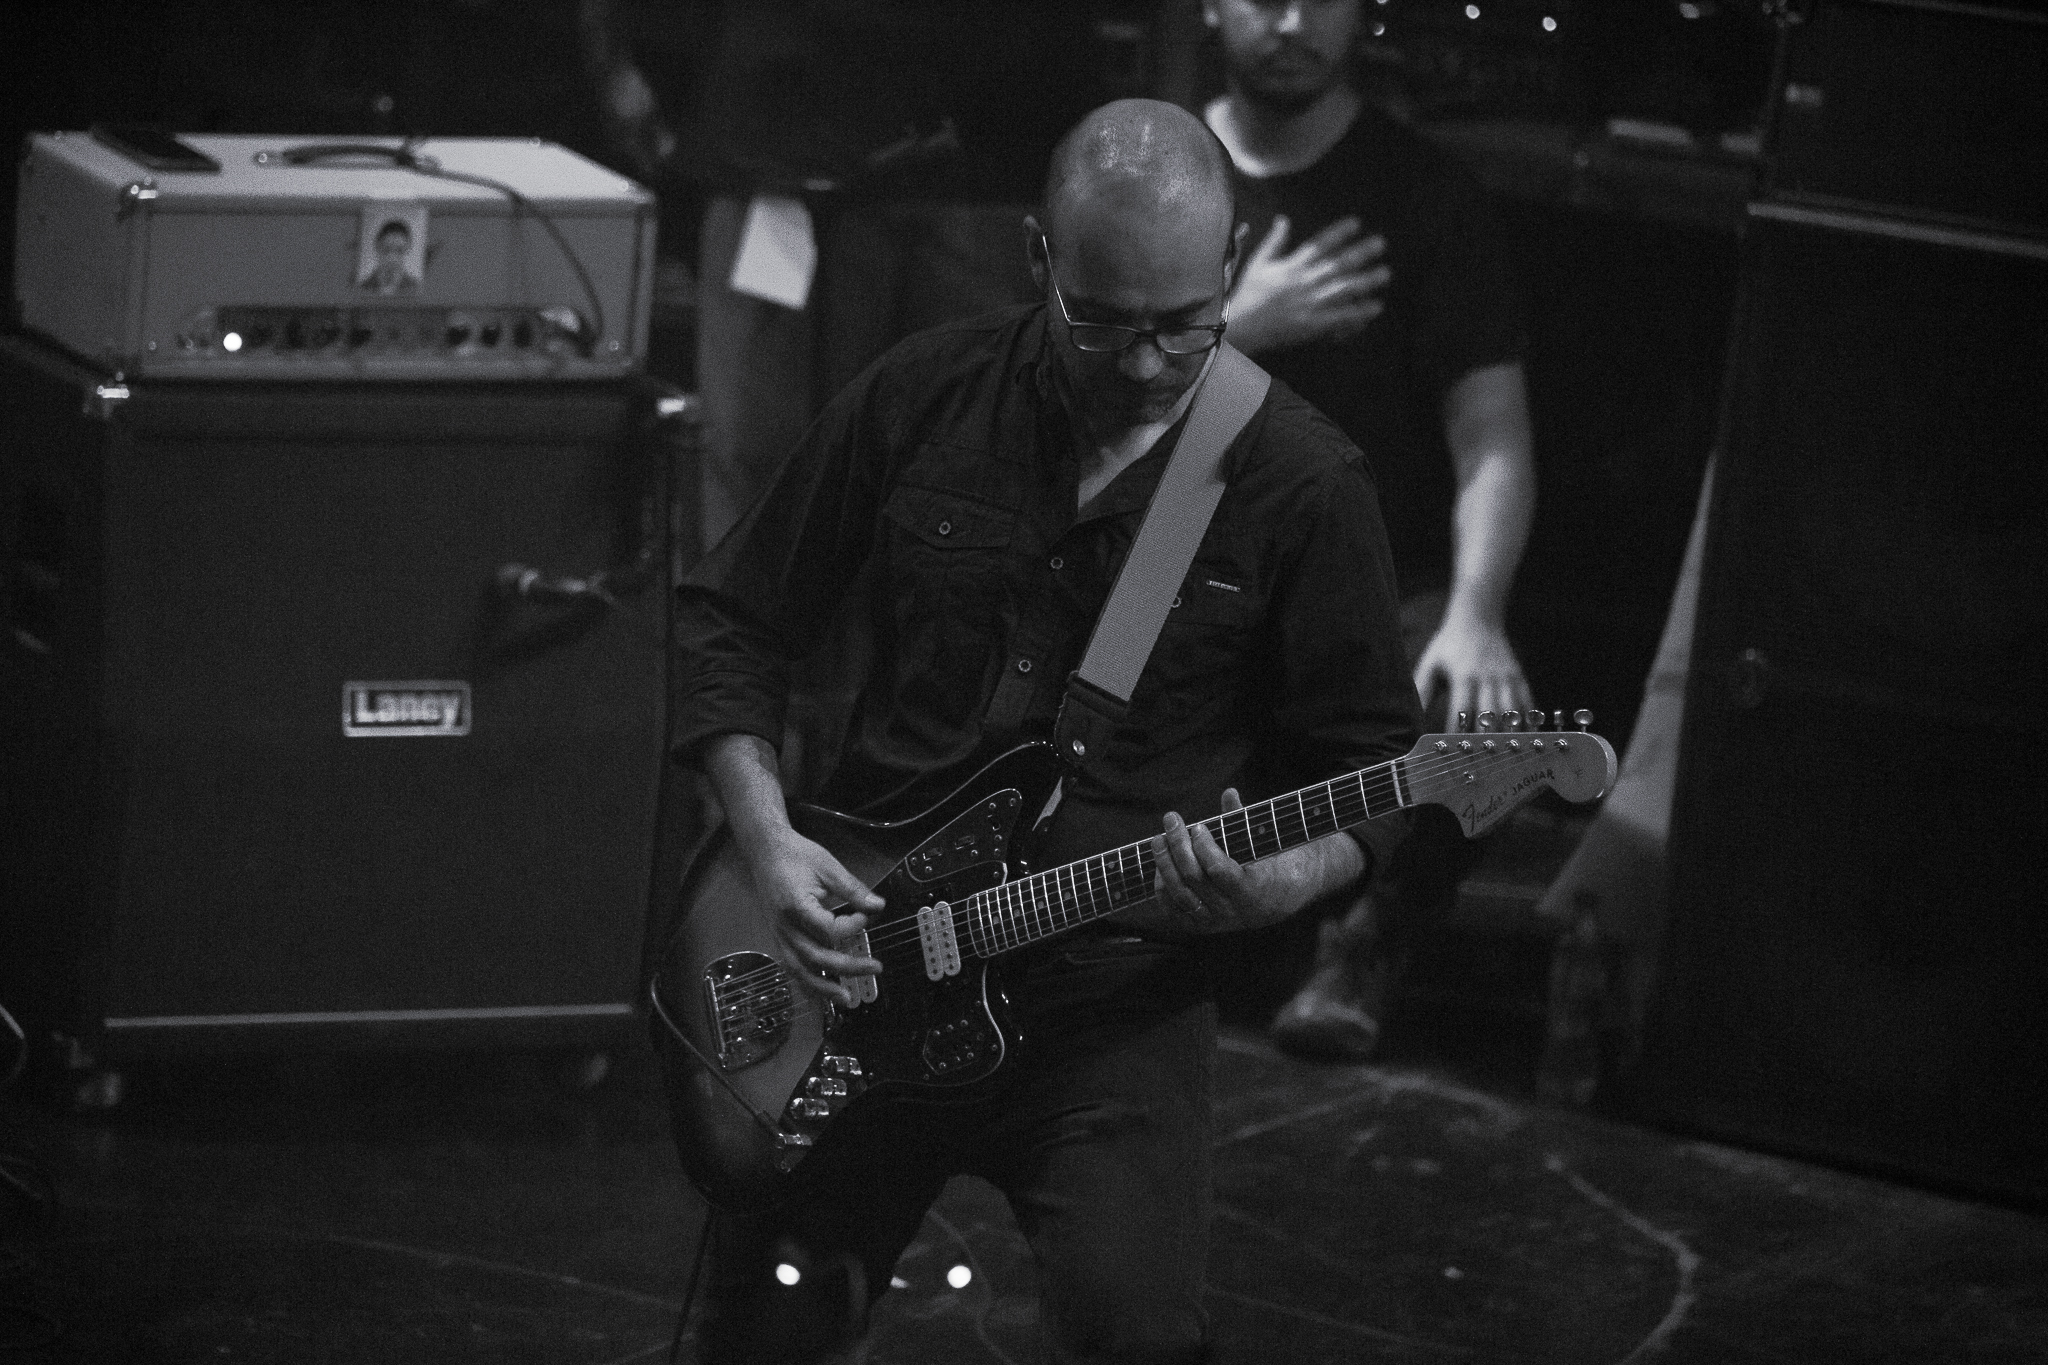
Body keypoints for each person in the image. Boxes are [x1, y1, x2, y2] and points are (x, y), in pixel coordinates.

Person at [666, 99, 1420, 1364]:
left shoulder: (1299, 479)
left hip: (1104, 1005)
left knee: (1136, 1334)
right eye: (1103, 323)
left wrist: (1284, 880)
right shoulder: (922, 393)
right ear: (1037, 260)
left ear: (1230, 269)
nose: (1140, 365)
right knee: (762, 1327)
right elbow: (733, 619)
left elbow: (1377, 775)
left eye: (1181, 328)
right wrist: (764, 834)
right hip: (861, 961)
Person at [1200, 0, 1540, 1060]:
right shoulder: (1152, 178)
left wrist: (1477, 614)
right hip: (1181, 586)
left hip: (1364, 596)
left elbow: (1493, 437)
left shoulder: (1423, 193)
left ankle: (1360, 949)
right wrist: (1232, 330)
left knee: (1481, 714)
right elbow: (1074, 417)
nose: (1293, 21)